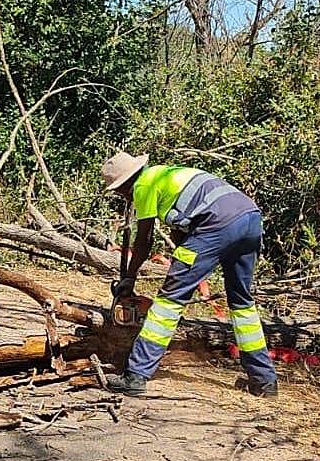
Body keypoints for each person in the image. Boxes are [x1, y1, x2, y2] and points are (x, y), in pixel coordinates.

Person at [100, 152, 277, 398]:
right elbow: (183, 231)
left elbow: (144, 240)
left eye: (120, 192)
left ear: (124, 185)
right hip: (249, 219)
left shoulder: (143, 185)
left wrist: (129, 278)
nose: (123, 196)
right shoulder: (167, 175)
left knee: (168, 303)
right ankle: (264, 381)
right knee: (242, 304)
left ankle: (135, 375)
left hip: (217, 224)